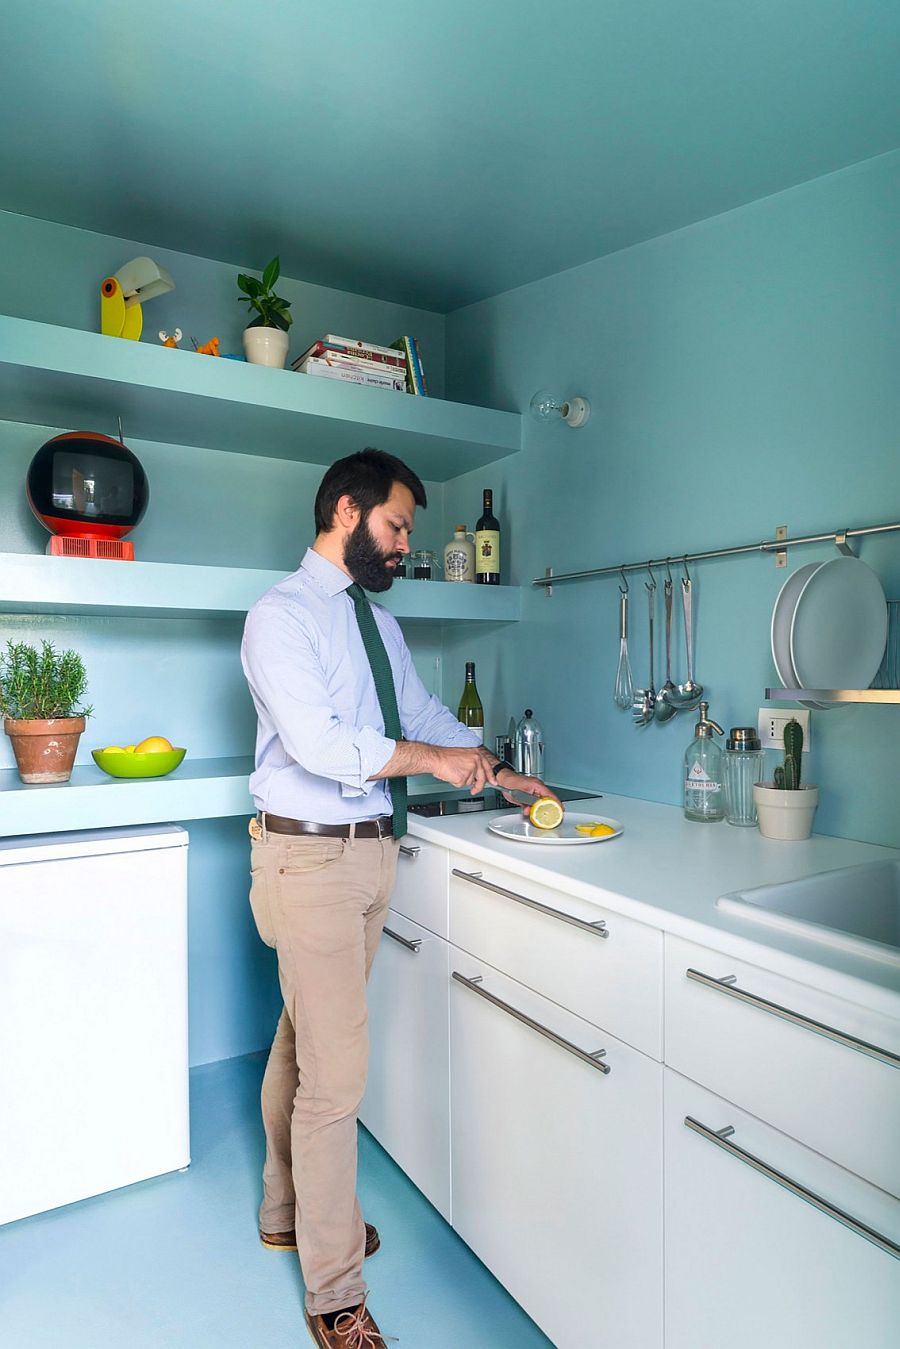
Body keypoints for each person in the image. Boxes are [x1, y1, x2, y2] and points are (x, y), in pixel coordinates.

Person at [240, 447, 550, 1348]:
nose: (406, 544)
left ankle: (285, 1209)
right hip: (305, 863)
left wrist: (495, 768)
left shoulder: (379, 627)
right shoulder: (281, 617)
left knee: (305, 1041)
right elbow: (323, 744)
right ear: (346, 510)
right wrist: (433, 763)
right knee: (337, 1079)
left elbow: (419, 714)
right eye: (398, 525)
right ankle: (335, 1291)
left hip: (373, 855)